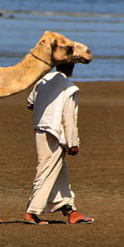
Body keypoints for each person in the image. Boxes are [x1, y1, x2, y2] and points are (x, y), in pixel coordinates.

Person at [23, 63, 94, 225]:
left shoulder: (43, 81)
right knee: (46, 170)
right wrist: (73, 143)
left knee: (60, 171)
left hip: (40, 128)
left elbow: (30, 103)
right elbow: (69, 118)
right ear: (72, 67)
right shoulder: (69, 87)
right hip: (55, 132)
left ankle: (70, 210)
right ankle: (31, 213)